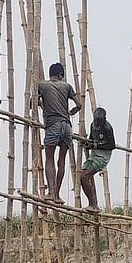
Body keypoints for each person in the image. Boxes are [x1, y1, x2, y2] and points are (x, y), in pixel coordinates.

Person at [37, 62, 84, 203]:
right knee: (61, 161)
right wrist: (72, 112)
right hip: (67, 127)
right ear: (60, 75)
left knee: (50, 159)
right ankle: (57, 195)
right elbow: (79, 105)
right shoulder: (67, 86)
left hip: (53, 125)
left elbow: (32, 102)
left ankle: (51, 192)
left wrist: (40, 103)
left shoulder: (42, 85)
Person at [79, 107, 116, 213]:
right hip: (94, 155)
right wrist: (88, 144)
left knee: (86, 176)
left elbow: (112, 145)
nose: (98, 124)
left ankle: (93, 204)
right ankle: (92, 203)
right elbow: (91, 139)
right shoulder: (93, 125)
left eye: (99, 121)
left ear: (104, 119)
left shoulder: (108, 128)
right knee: (82, 176)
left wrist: (96, 145)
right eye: (96, 121)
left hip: (102, 157)